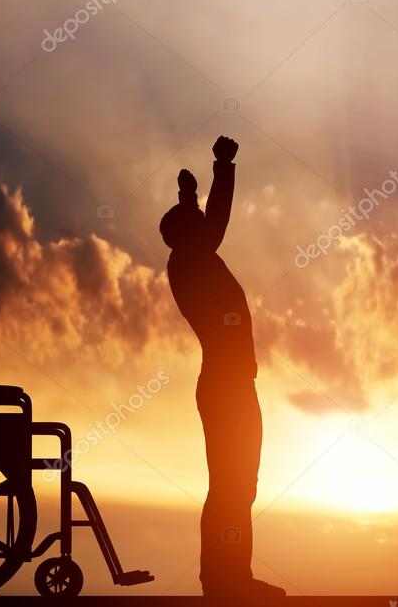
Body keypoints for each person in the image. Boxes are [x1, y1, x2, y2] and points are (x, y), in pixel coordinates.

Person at [159, 135, 286, 602]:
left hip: (231, 383)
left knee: (239, 485)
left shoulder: (191, 258)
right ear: (188, 234)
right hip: (225, 385)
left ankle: (233, 577)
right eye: (194, 221)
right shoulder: (191, 261)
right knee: (231, 485)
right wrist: (222, 165)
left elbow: (203, 224)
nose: (202, 225)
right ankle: (223, 580)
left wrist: (187, 197)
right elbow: (214, 224)